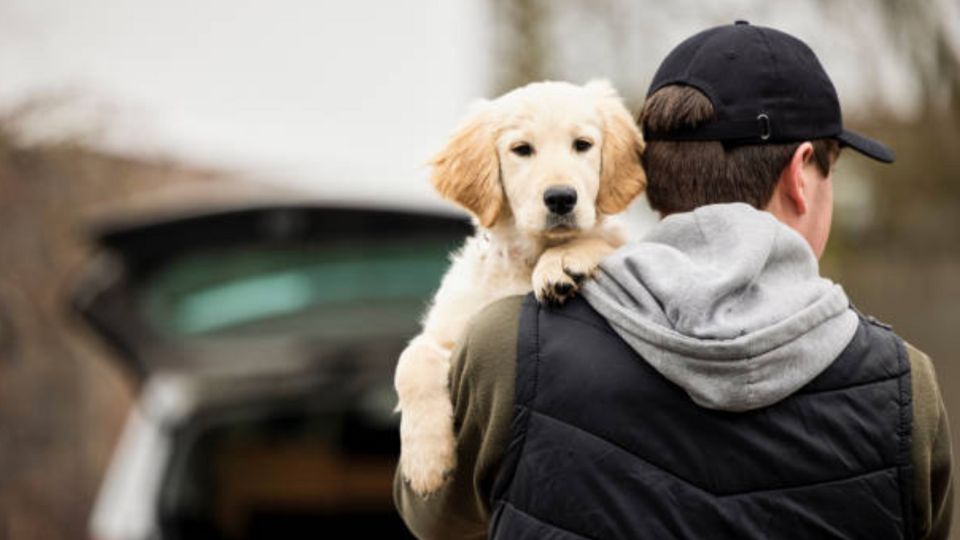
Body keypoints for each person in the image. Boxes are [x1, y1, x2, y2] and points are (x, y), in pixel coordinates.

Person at [394, 21, 953, 539]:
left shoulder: (505, 345)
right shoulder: (905, 385)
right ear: (802, 175)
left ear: (645, 176)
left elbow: (435, 518)